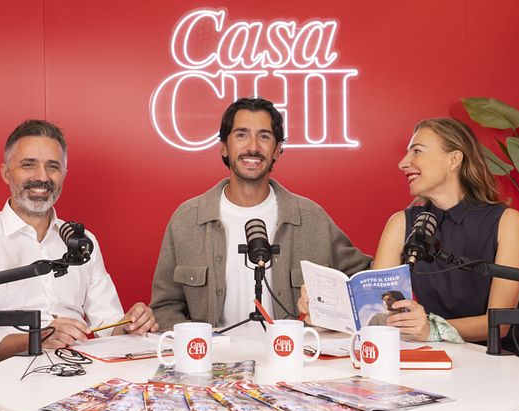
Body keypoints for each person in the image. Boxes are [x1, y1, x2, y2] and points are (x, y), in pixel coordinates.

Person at [299, 117, 519, 411]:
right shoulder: (401, 224)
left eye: (417, 151)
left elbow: (498, 324)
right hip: (437, 378)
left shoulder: (506, 221)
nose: (403, 162)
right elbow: (373, 315)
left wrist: (430, 329)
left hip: (514, 380)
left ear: (454, 159)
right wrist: (325, 311)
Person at [0, 119, 158, 411]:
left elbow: (107, 322)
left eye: (53, 167)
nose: (42, 177)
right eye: (28, 164)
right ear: (6, 172)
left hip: (80, 379)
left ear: (64, 175)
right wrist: (36, 338)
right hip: (2, 388)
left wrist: (128, 325)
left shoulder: (82, 242)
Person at [150, 97, 371, 330]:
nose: (253, 147)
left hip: (290, 352)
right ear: (224, 146)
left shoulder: (312, 220)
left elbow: (365, 284)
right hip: (214, 354)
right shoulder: (186, 221)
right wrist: (198, 340)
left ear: (277, 150)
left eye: (264, 136)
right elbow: (164, 307)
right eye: (241, 135)